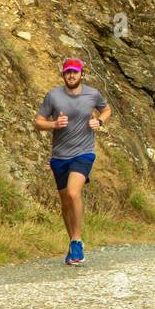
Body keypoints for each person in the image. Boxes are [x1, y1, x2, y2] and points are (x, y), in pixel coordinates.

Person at [33, 58, 111, 265]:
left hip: (84, 152)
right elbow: (38, 122)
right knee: (65, 201)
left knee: (73, 192)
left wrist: (100, 121)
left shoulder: (92, 94)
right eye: (68, 72)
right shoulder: (53, 96)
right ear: (63, 75)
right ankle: (73, 242)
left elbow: (106, 109)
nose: (71, 75)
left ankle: (77, 240)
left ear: (81, 74)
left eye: (75, 72)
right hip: (59, 155)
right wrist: (53, 124)